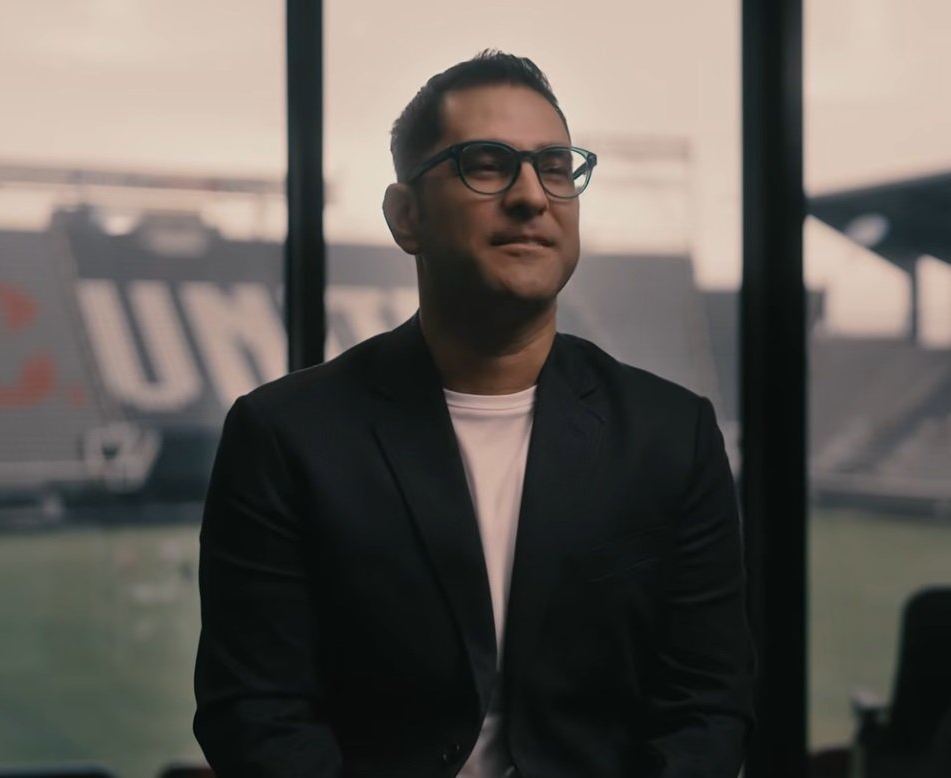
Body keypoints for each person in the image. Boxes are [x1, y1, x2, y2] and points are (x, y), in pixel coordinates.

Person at [193, 50, 755, 777]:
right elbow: (255, 713)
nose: (531, 196)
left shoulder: (673, 436)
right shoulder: (283, 437)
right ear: (406, 217)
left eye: (554, 167)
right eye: (487, 165)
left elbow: (707, 709)